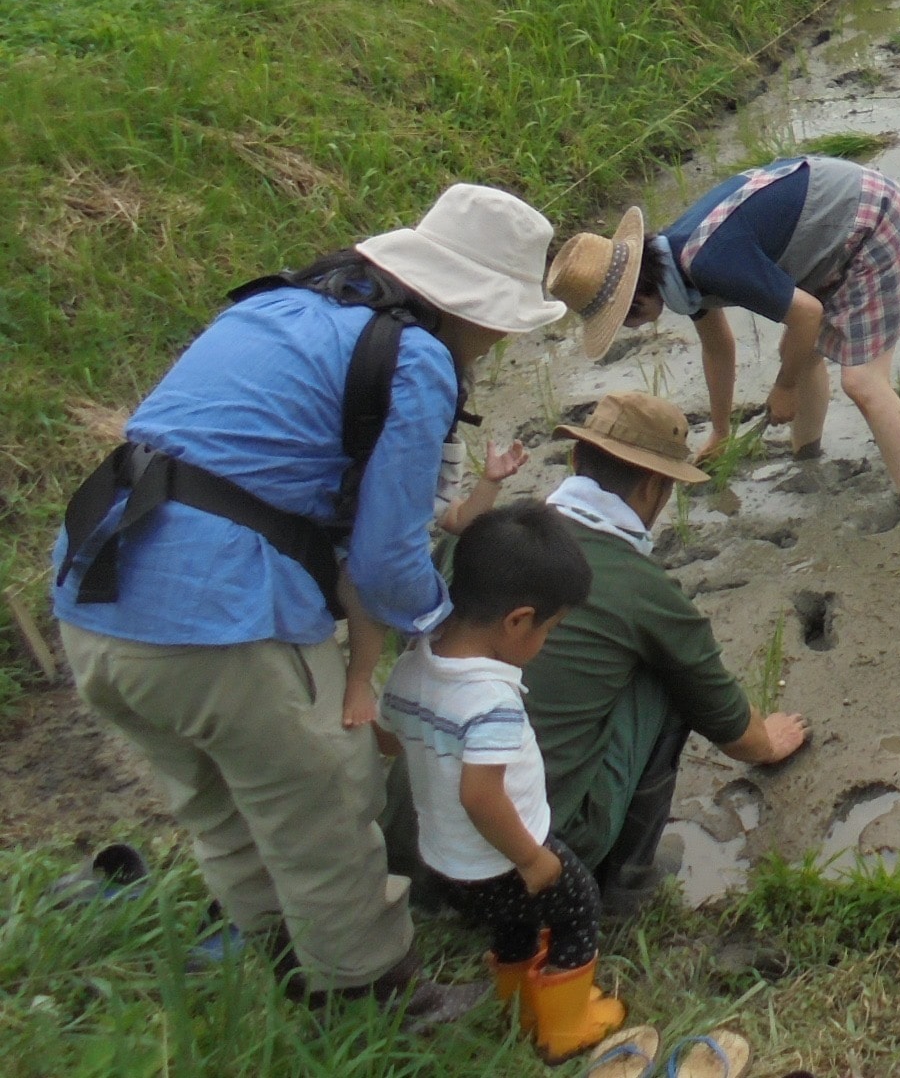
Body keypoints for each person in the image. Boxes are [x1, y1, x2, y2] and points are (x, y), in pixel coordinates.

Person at [51, 184, 564, 1023]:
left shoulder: (281, 306)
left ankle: (292, 972)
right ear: (477, 308)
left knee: (223, 808)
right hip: (217, 615)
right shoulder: (420, 358)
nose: (501, 340)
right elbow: (388, 555)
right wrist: (448, 635)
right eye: (504, 321)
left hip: (92, 601)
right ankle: (378, 1004)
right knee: (326, 802)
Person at [376, 504, 646, 1065]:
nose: (547, 639)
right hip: (503, 856)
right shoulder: (490, 699)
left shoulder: (412, 667)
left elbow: (388, 738)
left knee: (515, 927)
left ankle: (519, 1003)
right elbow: (481, 797)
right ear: (519, 621)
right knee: (576, 909)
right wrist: (530, 858)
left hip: (445, 860)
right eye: (551, 628)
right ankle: (565, 1027)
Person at [520, 393, 807, 912]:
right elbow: (736, 734)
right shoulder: (643, 589)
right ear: (655, 485)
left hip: (430, 830)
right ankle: (622, 886)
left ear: (575, 460)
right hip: (539, 853)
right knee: (668, 676)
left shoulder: (484, 538)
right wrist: (769, 740)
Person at [549, 155, 900, 509]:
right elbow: (717, 347)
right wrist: (720, 431)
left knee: (862, 382)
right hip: (833, 231)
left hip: (875, 220)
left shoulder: (708, 262)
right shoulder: (673, 263)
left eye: (622, 319)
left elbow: (807, 314)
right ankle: (807, 458)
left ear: (635, 296)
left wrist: (785, 387)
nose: (629, 328)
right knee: (798, 351)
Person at [342, 430, 530, 728]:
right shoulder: (382, 473)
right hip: (363, 561)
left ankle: (417, 694)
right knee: (361, 593)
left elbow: (459, 520)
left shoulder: (419, 478)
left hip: (414, 574)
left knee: (440, 630)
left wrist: (490, 482)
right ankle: (359, 680)